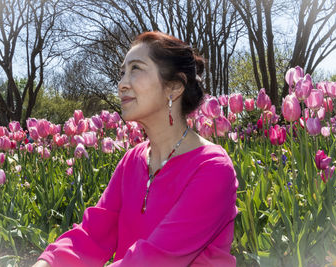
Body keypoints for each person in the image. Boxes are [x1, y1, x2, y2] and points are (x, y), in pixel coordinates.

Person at [33, 31, 238, 267]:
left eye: (136, 69)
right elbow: (92, 234)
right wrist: (46, 263)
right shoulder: (133, 159)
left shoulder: (212, 168)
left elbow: (156, 258)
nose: (121, 84)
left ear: (174, 87)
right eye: (122, 73)